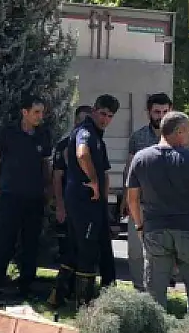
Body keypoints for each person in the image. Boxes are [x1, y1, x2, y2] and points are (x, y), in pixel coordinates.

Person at [126, 111, 189, 312]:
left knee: (155, 289)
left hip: (155, 229)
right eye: (188, 131)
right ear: (179, 131)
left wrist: (140, 225)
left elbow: (132, 198)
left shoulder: (141, 158)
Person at [0, 95, 52, 303]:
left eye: (42, 113)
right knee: (5, 242)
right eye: (36, 112)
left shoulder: (43, 134)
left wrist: (48, 188)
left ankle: (26, 287)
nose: (40, 116)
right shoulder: (9, 133)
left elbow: (46, 163)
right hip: (10, 196)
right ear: (25, 112)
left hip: (34, 197)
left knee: (30, 244)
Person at [64, 94, 119, 305]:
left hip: (93, 202)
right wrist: (93, 180)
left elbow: (104, 170)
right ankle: (82, 302)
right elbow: (81, 154)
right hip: (82, 199)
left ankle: (60, 295)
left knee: (83, 248)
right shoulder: (85, 132)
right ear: (94, 110)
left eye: (110, 116)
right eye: (103, 113)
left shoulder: (97, 135)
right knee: (86, 250)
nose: (105, 119)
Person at [123, 93, 174, 291]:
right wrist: (125, 198)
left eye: (164, 112)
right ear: (149, 112)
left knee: (163, 251)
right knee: (136, 250)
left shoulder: (179, 138)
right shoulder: (138, 137)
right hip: (140, 202)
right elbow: (129, 168)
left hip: (167, 205)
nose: (160, 116)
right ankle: (139, 289)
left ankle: (158, 289)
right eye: (156, 112)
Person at [47, 104, 92, 308]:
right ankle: (61, 292)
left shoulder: (92, 141)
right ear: (75, 120)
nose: (84, 124)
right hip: (69, 202)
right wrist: (60, 206)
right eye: (82, 119)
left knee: (83, 249)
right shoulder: (65, 144)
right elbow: (57, 177)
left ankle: (76, 293)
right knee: (69, 249)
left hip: (87, 205)